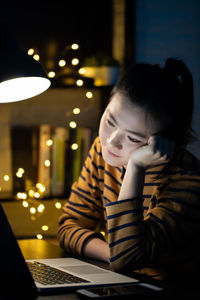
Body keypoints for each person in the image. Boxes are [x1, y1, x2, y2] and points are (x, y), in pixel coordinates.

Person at [58, 58, 200, 280]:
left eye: (133, 137)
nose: (112, 141)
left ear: (164, 141)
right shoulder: (102, 151)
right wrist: (113, 253)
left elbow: (127, 257)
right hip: (125, 283)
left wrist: (136, 167)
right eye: (110, 121)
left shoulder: (187, 182)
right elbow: (68, 227)